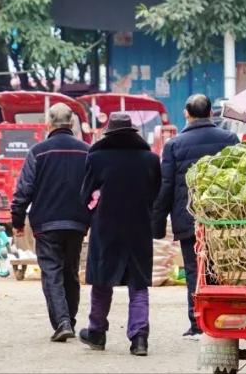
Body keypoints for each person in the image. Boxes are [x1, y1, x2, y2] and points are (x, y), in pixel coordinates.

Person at [152, 94, 238, 339]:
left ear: (186, 114)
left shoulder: (174, 145)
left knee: (194, 270)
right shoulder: (229, 139)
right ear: (211, 113)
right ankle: (224, 319)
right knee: (222, 267)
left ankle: (198, 323)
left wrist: (157, 225)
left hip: (188, 217)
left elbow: (166, 186)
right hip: (223, 218)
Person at [80, 113, 161, 356]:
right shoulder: (150, 159)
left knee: (102, 280)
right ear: (133, 133)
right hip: (139, 227)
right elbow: (155, 193)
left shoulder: (95, 158)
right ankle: (139, 339)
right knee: (138, 284)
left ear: (109, 133)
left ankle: (97, 332)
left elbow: (85, 195)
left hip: (106, 227)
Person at [11, 103, 91, 342]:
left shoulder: (38, 152)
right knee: (71, 272)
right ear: (72, 123)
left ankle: (62, 322)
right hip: (77, 223)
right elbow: (95, 189)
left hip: (46, 225)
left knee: (52, 273)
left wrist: (17, 220)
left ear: (48, 123)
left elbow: (24, 190)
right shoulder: (86, 151)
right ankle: (70, 320)